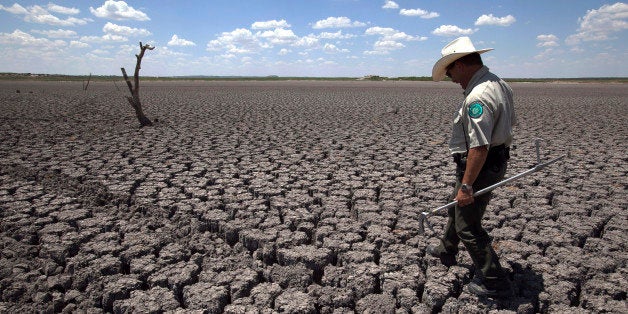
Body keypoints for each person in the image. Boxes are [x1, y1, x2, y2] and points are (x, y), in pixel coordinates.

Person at [428, 36, 517, 298]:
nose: (451, 78)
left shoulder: (478, 97)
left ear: (462, 64)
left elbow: (479, 146)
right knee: (457, 205)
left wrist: (467, 184)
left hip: (481, 165)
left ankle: (495, 282)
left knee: (468, 223)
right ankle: (447, 248)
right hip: (493, 161)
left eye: (451, 71)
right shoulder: (499, 83)